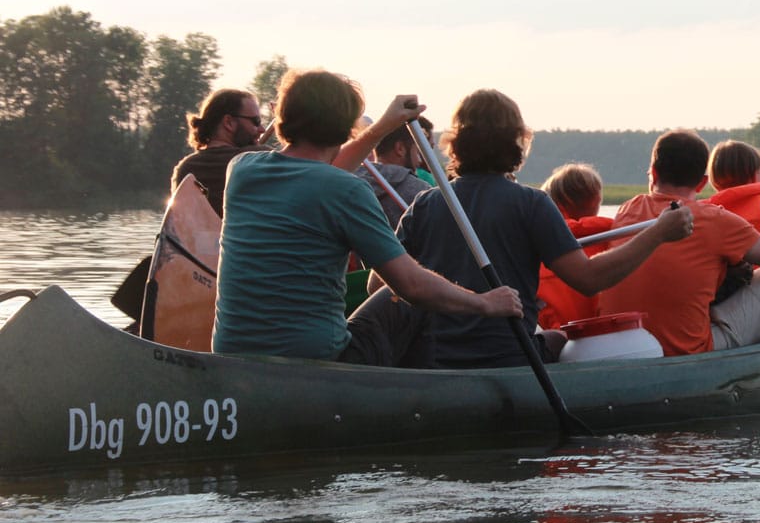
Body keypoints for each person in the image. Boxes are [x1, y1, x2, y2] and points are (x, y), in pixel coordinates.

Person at [213, 70, 521, 363]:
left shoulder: (242, 169)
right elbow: (411, 286)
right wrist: (485, 302)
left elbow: (318, 173)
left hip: (233, 351)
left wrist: (384, 125)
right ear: (344, 127)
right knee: (407, 298)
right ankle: (424, 391)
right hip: (317, 361)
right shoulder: (346, 190)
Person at [391, 90, 693, 368]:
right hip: (510, 357)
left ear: (455, 143)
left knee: (552, 337)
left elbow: (381, 283)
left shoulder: (424, 204)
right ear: (516, 141)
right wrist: (658, 233)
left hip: (433, 358)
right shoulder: (530, 203)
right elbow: (589, 279)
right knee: (560, 338)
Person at [597, 129, 760, 357]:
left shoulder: (628, 209)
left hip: (619, 347)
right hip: (687, 351)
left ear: (654, 173)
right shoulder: (716, 219)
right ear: (702, 183)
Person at [537, 163, 615, 329]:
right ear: (597, 200)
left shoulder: (539, 245)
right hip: (611, 332)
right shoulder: (617, 239)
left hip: (561, 336)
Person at [171, 89, 269, 216]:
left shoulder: (185, 168)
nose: (262, 129)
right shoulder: (260, 158)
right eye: (256, 122)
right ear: (229, 123)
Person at [355, 117, 433, 225]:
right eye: (416, 151)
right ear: (400, 149)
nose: (419, 160)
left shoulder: (350, 186)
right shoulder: (421, 192)